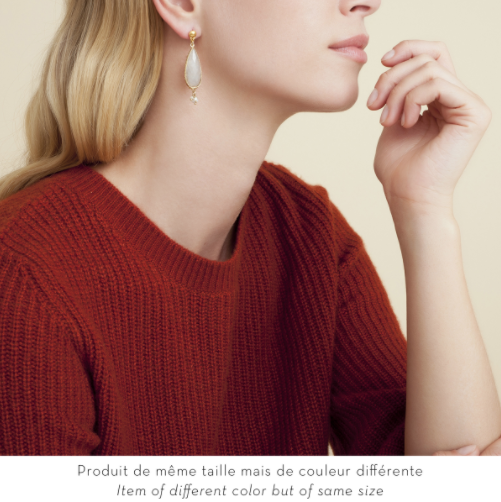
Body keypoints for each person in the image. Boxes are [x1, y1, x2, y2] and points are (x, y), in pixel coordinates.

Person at [0, 0, 500, 456]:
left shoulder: (309, 236)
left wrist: (423, 207)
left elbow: (464, 478)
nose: (365, 2)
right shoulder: (25, 273)